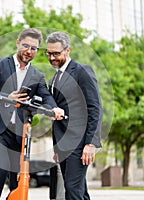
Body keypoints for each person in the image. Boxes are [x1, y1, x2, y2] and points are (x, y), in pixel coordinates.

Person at [0, 28, 64, 200]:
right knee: (0, 168)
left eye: (33, 48)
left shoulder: (37, 75)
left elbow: (46, 96)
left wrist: (55, 108)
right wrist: (5, 97)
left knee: (17, 179)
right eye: (26, 46)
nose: (29, 51)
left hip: (18, 134)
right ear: (18, 43)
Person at [46, 31, 103, 200]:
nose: (51, 58)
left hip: (79, 142)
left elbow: (95, 108)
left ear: (67, 50)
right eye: (48, 53)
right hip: (63, 144)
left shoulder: (82, 71)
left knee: (72, 189)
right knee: (77, 190)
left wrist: (91, 143)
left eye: (56, 53)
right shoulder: (54, 78)